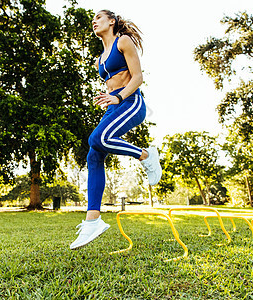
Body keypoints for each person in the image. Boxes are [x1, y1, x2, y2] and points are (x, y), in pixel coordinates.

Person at [70, 10, 162, 250]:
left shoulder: (123, 41)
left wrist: (119, 97)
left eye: (99, 17)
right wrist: (110, 98)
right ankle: (93, 220)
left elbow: (138, 77)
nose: (94, 21)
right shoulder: (99, 58)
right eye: (93, 19)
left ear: (112, 21)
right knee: (94, 152)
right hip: (114, 107)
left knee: (97, 138)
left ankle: (145, 155)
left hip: (132, 103)